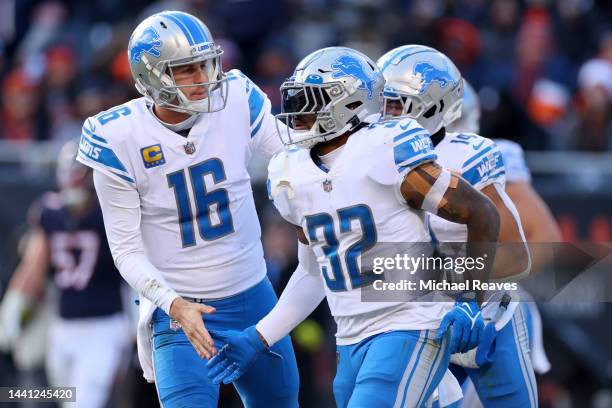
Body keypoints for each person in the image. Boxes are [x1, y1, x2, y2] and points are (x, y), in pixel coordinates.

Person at [206, 46, 501, 407]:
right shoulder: (291, 172)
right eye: (296, 99)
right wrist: (258, 337)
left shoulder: (387, 148)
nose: (297, 112)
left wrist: (470, 300)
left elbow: (482, 213)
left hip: (409, 322)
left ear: (348, 102)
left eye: (309, 100)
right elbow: (313, 273)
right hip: (349, 339)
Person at [76, 10, 298, 407]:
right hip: (179, 309)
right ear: (151, 76)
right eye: (187, 69)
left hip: (253, 296)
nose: (204, 78)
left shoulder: (235, 97)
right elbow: (125, 250)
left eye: (206, 63)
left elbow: (294, 160)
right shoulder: (116, 136)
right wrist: (174, 305)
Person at [378, 45, 537, 407]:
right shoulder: (364, 157)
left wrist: (456, 289)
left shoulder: (469, 155)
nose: (382, 115)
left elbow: (517, 258)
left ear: (431, 107)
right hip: (411, 320)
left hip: (483, 312)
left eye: (394, 103)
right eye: (380, 102)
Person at [449, 79, 558, 407]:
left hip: (486, 311)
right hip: (415, 313)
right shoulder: (384, 158)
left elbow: (545, 239)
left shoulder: (492, 155)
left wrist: (470, 277)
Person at [0, 141, 129, 408]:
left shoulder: (113, 214)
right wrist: (14, 305)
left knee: (85, 402)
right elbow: (33, 267)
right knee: (64, 399)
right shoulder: (50, 212)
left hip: (104, 327)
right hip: (63, 327)